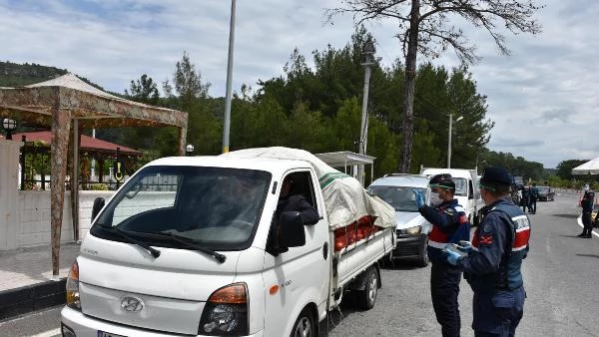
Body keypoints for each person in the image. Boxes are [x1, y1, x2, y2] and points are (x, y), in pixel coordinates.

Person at [444, 167, 531, 337]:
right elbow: (522, 250)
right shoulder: (518, 213)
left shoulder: (495, 217)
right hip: (514, 294)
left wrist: (460, 260)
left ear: (485, 190)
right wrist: (475, 250)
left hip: (496, 299)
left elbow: (488, 263)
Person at [413, 174, 471, 337]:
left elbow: (443, 222)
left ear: (447, 192)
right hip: (441, 267)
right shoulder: (444, 209)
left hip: (448, 269)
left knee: (447, 312)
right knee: (445, 311)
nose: (432, 194)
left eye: (435, 190)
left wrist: (424, 208)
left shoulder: (454, 211)